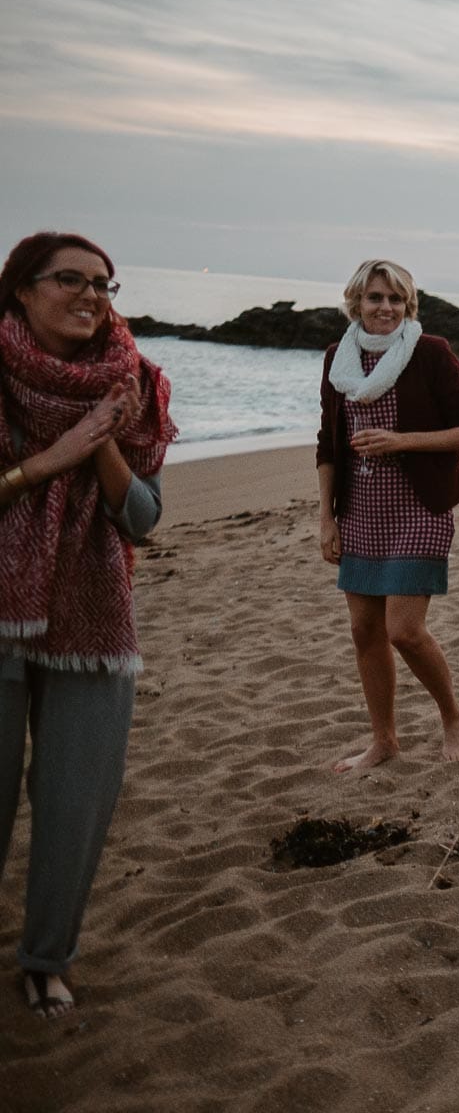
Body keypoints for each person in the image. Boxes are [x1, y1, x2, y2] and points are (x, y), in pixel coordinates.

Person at [0, 232, 176, 1019]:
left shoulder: (133, 380)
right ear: (20, 291)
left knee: (76, 807)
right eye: (68, 279)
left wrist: (104, 440)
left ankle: (46, 961)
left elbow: (140, 520)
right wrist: (50, 457)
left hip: (94, 620)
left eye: (103, 283)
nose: (91, 295)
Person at [317, 259, 459, 773]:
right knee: (364, 630)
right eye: (374, 298)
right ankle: (384, 740)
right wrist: (327, 517)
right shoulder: (336, 360)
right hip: (360, 508)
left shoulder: (430, 352)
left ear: (407, 305)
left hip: (419, 506)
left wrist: (400, 441)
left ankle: (453, 715)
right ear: (356, 303)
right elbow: (328, 444)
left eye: (394, 299)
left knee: (403, 631)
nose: (384, 308)